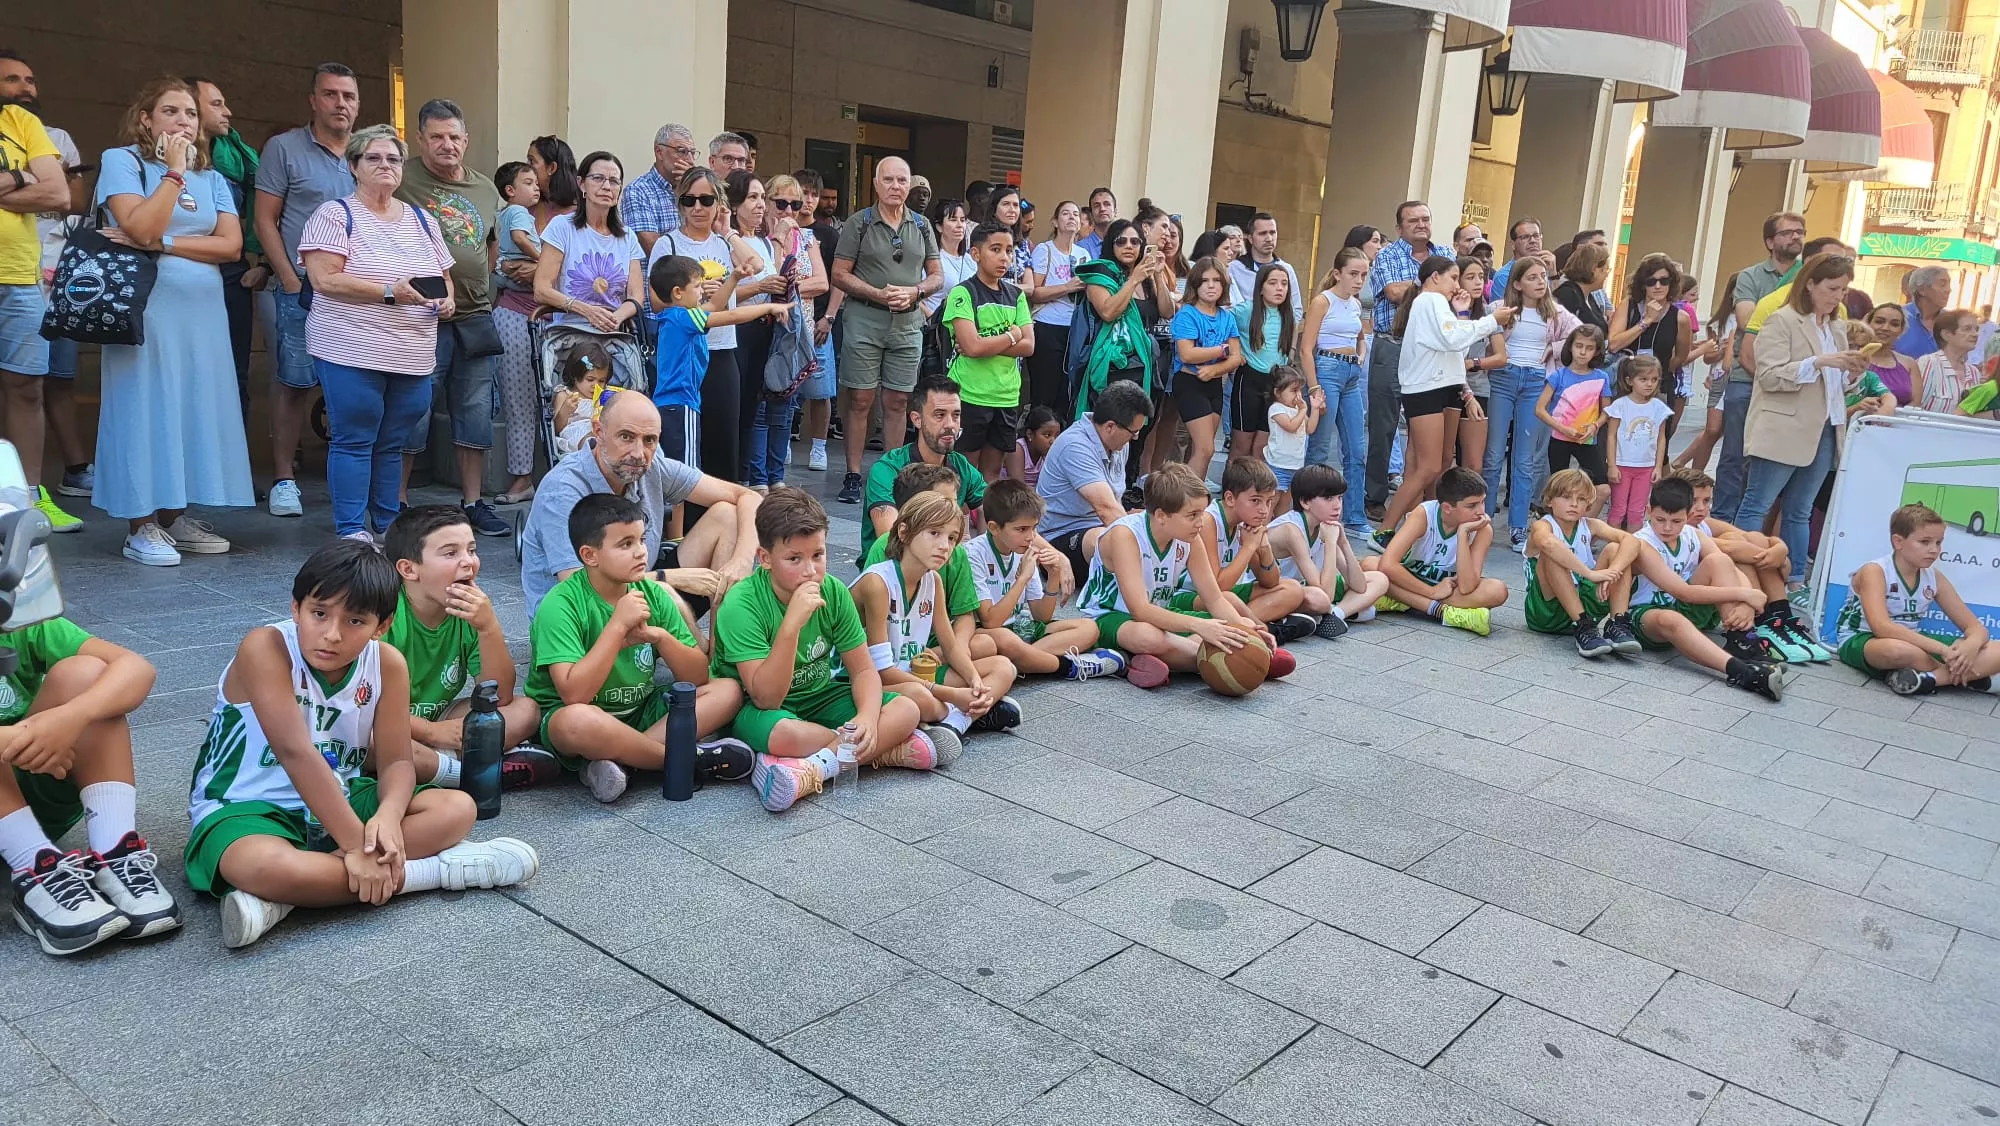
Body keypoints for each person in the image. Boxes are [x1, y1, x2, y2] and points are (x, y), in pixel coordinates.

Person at [186, 542, 539, 949]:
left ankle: (286, 901)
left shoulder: (386, 663)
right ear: (295, 607)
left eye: (355, 621)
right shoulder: (266, 648)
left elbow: (396, 763)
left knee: (456, 808)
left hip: (341, 796)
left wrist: (387, 818)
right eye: (319, 613)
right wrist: (357, 847)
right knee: (260, 864)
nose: (332, 634)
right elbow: (295, 752)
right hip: (246, 806)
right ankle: (433, 873)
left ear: (381, 625)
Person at [91, 77, 255, 567]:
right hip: (146, 312)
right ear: (146, 119)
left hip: (202, 316)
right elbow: (138, 223)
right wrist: (174, 174)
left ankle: (173, 516)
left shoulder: (217, 180)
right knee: (145, 405)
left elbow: (229, 247)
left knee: (190, 407)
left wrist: (162, 244)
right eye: (170, 112)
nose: (183, 121)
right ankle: (139, 524)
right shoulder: (122, 161)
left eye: (188, 113)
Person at [711, 488, 943, 813]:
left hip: (820, 695)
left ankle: (812, 769)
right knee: (787, 734)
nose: (810, 571)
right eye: (794, 559)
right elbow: (767, 698)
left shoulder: (833, 590)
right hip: (759, 709)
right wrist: (791, 626)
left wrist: (866, 718)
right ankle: (881, 753)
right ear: (765, 559)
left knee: (906, 710)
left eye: (818, 555)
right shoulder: (742, 603)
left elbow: (863, 670)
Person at [525, 494, 753, 803]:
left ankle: (623, 763)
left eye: (641, 540)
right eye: (625, 544)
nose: (640, 553)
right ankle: (682, 760)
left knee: (727, 689)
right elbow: (573, 695)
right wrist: (617, 628)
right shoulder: (560, 604)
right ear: (590, 555)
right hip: (583, 719)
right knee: (575, 720)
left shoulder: (653, 594)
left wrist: (661, 638)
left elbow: (698, 676)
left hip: (642, 711)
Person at [298, 123, 454, 543]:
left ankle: (386, 525)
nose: (385, 165)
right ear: (353, 165)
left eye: (393, 159)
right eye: (374, 158)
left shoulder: (423, 220)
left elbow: (442, 276)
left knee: (392, 441)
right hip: (351, 349)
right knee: (354, 437)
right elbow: (325, 279)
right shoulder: (336, 214)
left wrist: (447, 300)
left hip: (413, 352)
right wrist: (389, 292)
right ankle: (351, 529)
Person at [0, 611, 172, 956]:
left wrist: (70, 718)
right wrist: (15, 741)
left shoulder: (19, 618)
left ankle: (113, 853)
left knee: (89, 675)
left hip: (35, 790)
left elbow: (137, 669)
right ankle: (34, 869)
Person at [519, 391, 761, 618]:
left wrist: (740, 561)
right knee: (664, 591)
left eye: (649, 440)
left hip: (637, 595)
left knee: (727, 515)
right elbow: (578, 587)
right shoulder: (563, 488)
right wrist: (669, 578)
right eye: (626, 437)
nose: (638, 452)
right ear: (598, 433)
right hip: (578, 623)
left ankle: (722, 656)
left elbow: (749, 497)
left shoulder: (653, 466)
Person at [394, 99, 510, 537]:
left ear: (466, 140)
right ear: (420, 139)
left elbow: (489, 244)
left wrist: (485, 285)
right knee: (414, 410)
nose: (447, 145)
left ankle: (474, 502)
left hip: (475, 316)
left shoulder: (484, 188)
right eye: (437, 137)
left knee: (476, 413)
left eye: (454, 137)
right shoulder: (402, 178)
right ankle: (398, 501)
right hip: (421, 317)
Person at [380, 505, 551, 795]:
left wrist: (488, 628)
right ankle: (465, 773)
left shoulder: (469, 611)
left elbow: (501, 695)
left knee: (526, 710)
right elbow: (363, 708)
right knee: (372, 740)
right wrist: (432, 732)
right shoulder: (384, 615)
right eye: (450, 553)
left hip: (439, 719)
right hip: (384, 724)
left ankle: (434, 764)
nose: (468, 562)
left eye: (471, 550)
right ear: (409, 569)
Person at [257, 62, 360, 520]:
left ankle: (350, 481)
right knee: (293, 382)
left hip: (359, 292)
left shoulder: (367, 153)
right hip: (302, 289)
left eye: (349, 96)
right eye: (332, 94)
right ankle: (283, 479)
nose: (341, 104)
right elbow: (265, 219)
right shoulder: (284, 149)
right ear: (313, 100)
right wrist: (290, 277)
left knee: (353, 385)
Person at [1075, 462, 1262, 689]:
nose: (1200, 522)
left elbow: (1214, 599)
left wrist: (1247, 633)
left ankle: (1149, 659)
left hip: (1160, 614)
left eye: (1202, 513)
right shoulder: (1125, 535)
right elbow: (1139, 610)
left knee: (1232, 625)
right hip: (1108, 616)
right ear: (1162, 515)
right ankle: (1226, 664)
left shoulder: (1190, 537)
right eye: (1192, 514)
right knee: (1148, 637)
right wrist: (1201, 628)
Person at [1737, 252, 1862, 593]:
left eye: (1843, 290)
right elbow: (1770, 375)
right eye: (1832, 288)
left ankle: (1795, 583)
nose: (1838, 296)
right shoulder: (1782, 320)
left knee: (1801, 509)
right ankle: (1741, 570)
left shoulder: (1836, 326)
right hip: (1783, 427)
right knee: (1758, 503)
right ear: (1810, 285)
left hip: (1825, 426)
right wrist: (1818, 362)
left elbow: (1833, 382)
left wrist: (1851, 374)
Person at [4, 52, 93, 511]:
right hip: (22, 271)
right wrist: (28, 180)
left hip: (26, 276)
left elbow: (61, 196)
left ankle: (25, 500)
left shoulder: (30, 126)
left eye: (30, 79)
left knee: (31, 385)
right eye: (12, 79)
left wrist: (13, 176)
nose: (26, 88)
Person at [853, 491, 1019, 735]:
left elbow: (951, 648)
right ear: (904, 532)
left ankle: (955, 724)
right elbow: (882, 671)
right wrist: (951, 693)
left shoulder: (933, 581)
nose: (945, 546)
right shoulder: (878, 583)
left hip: (911, 672)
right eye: (934, 533)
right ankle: (962, 714)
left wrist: (975, 681)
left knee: (1003, 667)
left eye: (952, 538)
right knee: (921, 698)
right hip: (869, 680)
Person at [832, 157, 942, 503]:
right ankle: (852, 474)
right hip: (865, 318)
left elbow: (937, 275)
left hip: (908, 322)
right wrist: (878, 294)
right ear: (876, 185)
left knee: (898, 399)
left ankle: (892, 474)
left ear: (909, 185)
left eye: (902, 181)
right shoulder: (858, 222)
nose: (896, 187)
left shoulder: (922, 225)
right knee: (860, 398)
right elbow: (839, 274)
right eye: (889, 180)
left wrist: (916, 291)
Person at [1378, 256, 1511, 538]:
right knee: (1426, 467)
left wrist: (1462, 315)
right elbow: (1452, 339)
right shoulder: (1430, 300)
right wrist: (1491, 321)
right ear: (1435, 277)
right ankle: (1385, 529)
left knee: (1438, 463)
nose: (1456, 284)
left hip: (1446, 386)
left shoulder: (1441, 305)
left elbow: (1455, 351)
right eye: (1453, 277)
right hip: (1426, 388)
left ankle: (1424, 530)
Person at [647, 166, 766, 476]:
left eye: (705, 200)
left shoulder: (725, 243)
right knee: (684, 440)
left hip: (723, 348)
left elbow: (756, 264)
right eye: (688, 200)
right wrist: (695, 298)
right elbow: (657, 302)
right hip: (685, 353)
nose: (697, 208)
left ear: (719, 204)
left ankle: (722, 512)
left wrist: (727, 231)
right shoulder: (668, 244)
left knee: (723, 436)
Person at [1624, 477, 1787, 700]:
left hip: (1688, 607)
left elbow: (1728, 566)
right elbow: (1683, 592)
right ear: (1649, 510)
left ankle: (1741, 640)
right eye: (1660, 519)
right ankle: (1743, 672)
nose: (1667, 527)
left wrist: (1748, 602)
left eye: (1676, 520)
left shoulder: (1694, 534)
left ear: (1688, 514)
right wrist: (1743, 594)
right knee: (1671, 620)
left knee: (1718, 561)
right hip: (1648, 615)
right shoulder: (1642, 543)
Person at [646, 254, 790, 478]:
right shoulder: (683, 318)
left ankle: (681, 513)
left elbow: (715, 304)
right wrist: (768, 307)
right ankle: (683, 514)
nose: (701, 291)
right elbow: (731, 315)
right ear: (677, 292)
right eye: (696, 286)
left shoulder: (678, 316)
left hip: (675, 406)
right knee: (686, 476)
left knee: (680, 473)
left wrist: (733, 277)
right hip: (680, 405)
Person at [1835, 502, 2000, 695]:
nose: (1934, 550)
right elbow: (1882, 627)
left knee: (1995, 649)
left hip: (1914, 641)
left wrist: (1970, 647)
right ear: (1898, 542)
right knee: (1898, 651)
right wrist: (1946, 652)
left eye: (1939, 543)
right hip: (1863, 638)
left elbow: (1975, 628)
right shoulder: (1875, 571)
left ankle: (1928, 680)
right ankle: (1967, 677)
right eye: (1925, 542)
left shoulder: (1934, 577)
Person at [964, 480, 1121, 679]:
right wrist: (1022, 579)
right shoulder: (973, 554)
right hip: (991, 634)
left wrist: (1053, 575)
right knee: (1003, 638)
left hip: (1022, 630)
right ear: (994, 528)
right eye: (1021, 529)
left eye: (1034, 528)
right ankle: (1067, 666)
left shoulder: (1022, 549)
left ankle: (1023, 664)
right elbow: (991, 621)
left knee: (1088, 628)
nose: (1030, 537)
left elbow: (1041, 616)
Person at [1670, 466, 1830, 662]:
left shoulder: (1705, 523)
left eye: (1706, 501)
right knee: (1735, 551)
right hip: (1687, 606)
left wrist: (1779, 548)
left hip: (1712, 607)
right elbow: (1729, 549)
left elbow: (1751, 538)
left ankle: (1780, 619)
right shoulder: (1678, 528)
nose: (1702, 508)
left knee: (1751, 537)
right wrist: (1776, 557)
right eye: (1694, 501)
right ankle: (1763, 622)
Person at [187, 76, 270, 429]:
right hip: (176, 278)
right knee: (185, 374)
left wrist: (263, 263)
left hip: (230, 274)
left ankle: (233, 475)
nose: (228, 112)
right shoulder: (150, 165)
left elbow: (266, 216)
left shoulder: (236, 159)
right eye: (217, 104)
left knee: (234, 373)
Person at [1715, 212, 1807, 521]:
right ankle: (1722, 518)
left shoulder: (1809, 278)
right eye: (1787, 233)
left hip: (1789, 377)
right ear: (1770, 241)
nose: (1795, 237)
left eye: (1800, 232)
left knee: (1768, 457)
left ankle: (1752, 521)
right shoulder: (1751, 276)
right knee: (1734, 454)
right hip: (1747, 375)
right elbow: (1745, 320)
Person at [1486, 258, 1579, 551]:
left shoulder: (1555, 311)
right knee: (1492, 454)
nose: (1541, 282)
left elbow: (1581, 335)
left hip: (1536, 382)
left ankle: (1517, 527)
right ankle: (1484, 520)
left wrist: (1554, 348)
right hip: (1504, 377)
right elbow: (1487, 332)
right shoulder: (1500, 308)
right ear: (1517, 284)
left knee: (1525, 458)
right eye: (1533, 277)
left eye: (1543, 277)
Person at [1365, 201, 1450, 515]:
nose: (1421, 224)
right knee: (1383, 423)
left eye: (1425, 218)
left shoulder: (1445, 254)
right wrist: (1429, 283)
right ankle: (1374, 497)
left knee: (1423, 426)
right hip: (1393, 345)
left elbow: (1451, 292)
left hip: (1431, 350)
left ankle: (1419, 502)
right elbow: (1392, 293)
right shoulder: (1386, 255)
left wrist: (1417, 286)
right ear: (1399, 227)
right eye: (1413, 220)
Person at [1173, 457, 1313, 642]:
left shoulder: (1247, 522)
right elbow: (1217, 587)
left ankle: (1247, 626)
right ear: (1230, 498)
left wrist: (1263, 549)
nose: (1264, 510)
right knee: (1228, 598)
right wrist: (1248, 547)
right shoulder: (1208, 521)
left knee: (1293, 589)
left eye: (1269, 501)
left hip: (1227, 594)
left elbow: (1271, 581)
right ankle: (1262, 630)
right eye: (1255, 500)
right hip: (1189, 594)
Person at [744, 173, 824, 491]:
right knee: (762, 407)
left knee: (785, 406)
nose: (788, 210)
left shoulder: (806, 237)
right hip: (764, 326)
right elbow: (771, 277)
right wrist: (779, 241)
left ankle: (777, 477)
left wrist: (790, 288)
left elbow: (822, 282)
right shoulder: (760, 238)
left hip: (795, 330)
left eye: (795, 204)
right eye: (781, 203)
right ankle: (759, 478)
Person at [1363, 465, 1508, 635]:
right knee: (1369, 565)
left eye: (1483, 502)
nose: (1481, 511)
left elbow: (1468, 586)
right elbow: (1388, 565)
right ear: (1447, 508)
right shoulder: (1424, 514)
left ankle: (1400, 600)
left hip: (1448, 588)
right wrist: (1431, 592)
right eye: (1472, 506)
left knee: (1497, 590)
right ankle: (1442, 612)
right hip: (1411, 579)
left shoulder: (1483, 529)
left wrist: (1462, 535)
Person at [944, 220, 1034, 483]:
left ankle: (986, 524)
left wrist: (987, 343)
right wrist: (1012, 335)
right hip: (970, 393)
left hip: (1005, 396)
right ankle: (959, 523)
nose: (1004, 257)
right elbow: (970, 347)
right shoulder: (964, 293)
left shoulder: (1015, 295)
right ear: (975, 254)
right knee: (963, 471)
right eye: (995, 249)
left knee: (991, 473)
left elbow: (1029, 346)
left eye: (1009, 250)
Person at [1037, 380, 1150, 579]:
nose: (1135, 438)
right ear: (1110, 427)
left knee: (1167, 519)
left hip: (1101, 526)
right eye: (1134, 432)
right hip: (1059, 539)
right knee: (1107, 540)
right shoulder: (1075, 445)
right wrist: (1148, 546)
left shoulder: (1117, 442)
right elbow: (1106, 509)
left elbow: (1115, 506)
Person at [1522, 467, 1641, 657]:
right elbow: (1547, 543)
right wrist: (1590, 573)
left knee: (1616, 549)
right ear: (1550, 500)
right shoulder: (1543, 525)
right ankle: (1582, 625)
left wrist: (1613, 572)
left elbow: (1633, 541)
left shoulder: (1590, 525)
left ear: (1588, 504)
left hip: (1584, 600)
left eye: (1581, 499)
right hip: (1547, 611)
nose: (1574, 504)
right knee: (1551, 554)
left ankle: (1617, 623)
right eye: (1567, 497)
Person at [862, 375, 985, 558]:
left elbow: (1003, 511)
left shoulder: (961, 466)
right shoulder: (887, 469)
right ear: (916, 419)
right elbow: (890, 538)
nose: (950, 425)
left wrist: (1041, 549)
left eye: (956, 415)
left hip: (943, 567)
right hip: (892, 573)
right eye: (940, 415)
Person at [1268, 464, 1389, 638]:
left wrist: (1344, 543)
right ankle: (1332, 614)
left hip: (1309, 588)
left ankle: (1335, 615)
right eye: (1328, 498)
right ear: (1305, 502)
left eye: (1339, 498)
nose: (1337, 505)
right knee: (1319, 600)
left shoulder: (1324, 524)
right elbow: (1325, 595)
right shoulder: (1291, 530)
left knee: (1379, 579)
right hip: (1280, 591)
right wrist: (1331, 543)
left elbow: (1359, 585)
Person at [1298, 248, 1372, 530]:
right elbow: (1306, 348)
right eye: (1353, 274)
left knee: (1356, 447)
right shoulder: (1322, 301)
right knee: (1319, 446)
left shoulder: (1354, 304)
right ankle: (1309, 509)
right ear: (1338, 273)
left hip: (1351, 370)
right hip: (1327, 368)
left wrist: (1361, 353)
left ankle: (1355, 515)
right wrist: (1314, 385)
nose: (1358, 280)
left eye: (1363, 275)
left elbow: (1360, 335)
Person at [1076, 218, 1166, 418]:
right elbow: (1108, 313)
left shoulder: (1145, 277)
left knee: (1139, 433)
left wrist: (1158, 276)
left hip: (1145, 362)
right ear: (1111, 244)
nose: (1128, 246)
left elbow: (1168, 312)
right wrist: (1133, 280)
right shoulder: (1101, 274)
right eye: (1121, 241)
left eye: (1135, 242)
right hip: (1113, 366)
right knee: (1113, 428)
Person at [1170, 257, 1245, 483]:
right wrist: (1220, 350)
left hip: (1213, 383)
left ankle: (1193, 497)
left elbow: (1237, 357)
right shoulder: (1187, 314)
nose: (1211, 285)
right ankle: (1187, 498)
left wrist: (1215, 370)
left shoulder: (1226, 317)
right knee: (1205, 449)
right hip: (1189, 383)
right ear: (1195, 285)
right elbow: (1187, 354)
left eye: (1216, 280)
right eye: (1204, 281)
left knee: (1204, 450)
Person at [793, 167, 842, 473]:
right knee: (783, 385)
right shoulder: (781, 231)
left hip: (820, 320)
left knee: (820, 389)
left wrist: (829, 317)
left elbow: (838, 281)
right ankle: (783, 439)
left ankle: (819, 447)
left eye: (814, 194)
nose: (808, 200)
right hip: (788, 319)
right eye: (804, 193)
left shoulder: (827, 235)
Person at [1535, 324, 1612, 514]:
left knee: (1603, 488)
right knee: (1559, 490)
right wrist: (1562, 428)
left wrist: (1595, 425)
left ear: (1597, 351)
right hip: (1560, 440)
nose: (1583, 352)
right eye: (1579, 346)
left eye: (1589, 348)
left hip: (1587, 440)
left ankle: (1582, 527)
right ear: (1570, 346)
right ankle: (1558, 528)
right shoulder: (1558, 376)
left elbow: (1608, 411)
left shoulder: (1601, 377)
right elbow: (1540, 409)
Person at [1025, 200, 1089, 413]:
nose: (1071, 217)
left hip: (1074, 329)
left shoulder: (1084, 256)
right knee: (1044, 392)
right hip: (1047, 326)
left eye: (1075, 214)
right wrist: (1067, 287)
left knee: (1066, 392)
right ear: (1055, 221)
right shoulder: (1045, 250)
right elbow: (1035, 292)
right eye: (1065, 213)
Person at [1231, 262, 1297, 464]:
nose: (1279, 288)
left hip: (1275, 382)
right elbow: (1224, 322)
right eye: (1273, 283)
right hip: (1249, 379)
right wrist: (1234, 352)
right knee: (1242, 445)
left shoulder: (1288, 315)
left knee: (1262, 447)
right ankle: (1230, 492)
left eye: (1284, 284)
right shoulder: (1245, 311)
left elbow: (1291, 336)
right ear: (1260, 287)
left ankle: (1256, 493)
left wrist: (1291, 355)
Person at [1448, 257, 1502, 483]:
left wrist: (1473, 363)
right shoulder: (1446, 311)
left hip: (1478, 388)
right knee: (1441, 462)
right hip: (1448, 388)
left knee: (1473, 465)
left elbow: (1501, 356)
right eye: (1470, 277)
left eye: (1481, 277)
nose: (1478, 282)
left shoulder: (1488, 312)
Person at [1603, 355, 1673, 531]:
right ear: (1630, 380)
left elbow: (1661, 438)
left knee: (1637, 511)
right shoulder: (1620, 405)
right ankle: (1614, 546)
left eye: (1654, 380)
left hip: (1646, 468)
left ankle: (1633, 548)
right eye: (1643, 379)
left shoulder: (1659, 407)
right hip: (1622, 465)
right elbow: (1611, 436)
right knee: (1618, 510)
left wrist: (1658, 467)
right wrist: (1612, 465)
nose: (1649, 384)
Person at [1608, 253, 1691, 395]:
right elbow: (1614, 344)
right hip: (1626, 385)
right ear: (1643, 284)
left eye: (1664, 281)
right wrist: (1645, 321)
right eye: (1651, 281)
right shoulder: (1629, 306)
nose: (1658, 286)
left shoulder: (1680, 318)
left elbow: (1680, 357)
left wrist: (1657, 372)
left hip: (1659, 386)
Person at [622, 122, 697, 254]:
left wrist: (690, 189)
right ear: (659, 152)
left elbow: (708, 237)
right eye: (682, 152)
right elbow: (655, 249)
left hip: (699, 271)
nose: (690, 160)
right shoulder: (638, 191)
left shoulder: (694, 190)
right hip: (659, 273)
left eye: (692, 153)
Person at [1229, 212, 1303, 320]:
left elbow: (1296, 309)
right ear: (1250, 238)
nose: (1269, 238)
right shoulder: (1234, 268)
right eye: (1262, 233)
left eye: (1272, 233)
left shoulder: (1287, 269)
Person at [1914, 308, 1983, 415]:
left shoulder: (1974, 373)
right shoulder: (1928, 363)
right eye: (1967, 329)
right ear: (1946, 335)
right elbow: (1914, 407)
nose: (1975, 334)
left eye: (1976, 329)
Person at [1265, 366, 1317, 503]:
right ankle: (1264, 525)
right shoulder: (1276, 409)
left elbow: (1310, 428)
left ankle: (1279, 524)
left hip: (1295, 466)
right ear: (1277, 392)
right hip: (1278, 465)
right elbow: (1291, 426)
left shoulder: (1296, 410)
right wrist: (1303, 410)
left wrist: (1315, 408)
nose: (1299, 395)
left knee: (1285, 505)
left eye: (1300, 390)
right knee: (1271, 502)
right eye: (1294, 391)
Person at [492, 161, 541, 293]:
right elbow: (519, 238)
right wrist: (540, 259)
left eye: (536, 183)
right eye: (528, 183)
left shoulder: (500, 214)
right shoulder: (519, 211)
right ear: (510, 190)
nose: (536, 188)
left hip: (502, 271)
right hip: (520, 269)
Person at [1859, 302, 1919, 407]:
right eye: (1879, 321)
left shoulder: (1909, 364)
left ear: (1901, 330)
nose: (1885, 328)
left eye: (1894, 324)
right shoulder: (1854, 357)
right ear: (1868, 324)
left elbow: (1916, 403)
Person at [1486, 216, 1553, 301]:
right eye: (1525, 237)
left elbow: (1558, 307)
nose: (1532, 240)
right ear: (1513, 244)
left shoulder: (1547, 269)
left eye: (1536, 236)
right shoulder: (1504, 276)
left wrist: (1553, 274)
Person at [1554, 242, 1610, 334]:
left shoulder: (1589, 297)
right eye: (1605, 269)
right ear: (1594, 269)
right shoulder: (1568, 294)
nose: (1607, 274)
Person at [1897, 265, 1950, 359]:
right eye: (1942, 284)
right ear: (1922, 290)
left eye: (1949, 284)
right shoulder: (1897, 316)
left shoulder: (1952, 321)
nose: (1949, 290)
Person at [1008, 405, 1062, 487]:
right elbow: (1018, 487)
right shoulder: (1018, 449)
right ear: (1030, 434)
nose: (1053, 441)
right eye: (1047, 435)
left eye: (1057, 436)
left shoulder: (1048, 453)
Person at [1078, 186, 1118, 257]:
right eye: (1097, 206)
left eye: (1107, 204)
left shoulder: (1124, 244)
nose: (1102, 209)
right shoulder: (1080, 248)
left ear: (1115, 211)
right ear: (1091, 213)